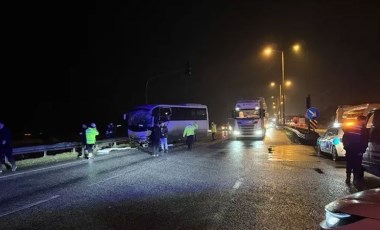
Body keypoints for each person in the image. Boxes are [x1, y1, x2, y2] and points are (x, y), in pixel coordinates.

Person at [342, 116, 368, 185]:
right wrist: (362, 150)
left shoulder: (350, 127)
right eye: (365, 120)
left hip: (350, 149)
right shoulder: (363, 129)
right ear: (361, 121)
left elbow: (344, 138)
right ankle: (354, 180)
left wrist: (346, 147)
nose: (365, 122)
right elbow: (365, 141)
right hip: (357, 149)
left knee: (350, 164)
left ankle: (349, 178)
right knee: (357, 165)